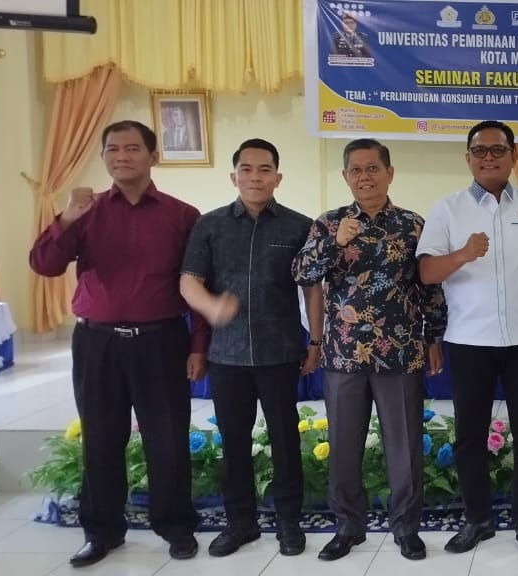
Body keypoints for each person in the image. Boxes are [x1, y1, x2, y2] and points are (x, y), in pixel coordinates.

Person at [28, 120, 206, 567]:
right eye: (112, 149)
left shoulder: (182, 215)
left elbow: (199, 284)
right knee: (101, 440)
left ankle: (176, 527)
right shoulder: (85, 212)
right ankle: (102, 532)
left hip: (161, 341)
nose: (121, 156)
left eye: (132, 148)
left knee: (167, 440)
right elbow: (45, 264)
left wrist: (198, 345)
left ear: (153, 156)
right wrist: (67, 217)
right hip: (98, 343)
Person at [291, 138, 447, 562]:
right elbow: (302, 272)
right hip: (344, 354)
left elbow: (429, 286)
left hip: (400, 353)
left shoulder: (413, 225)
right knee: (344, 445)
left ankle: (406, 528)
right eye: (356, 170)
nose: (365, 176)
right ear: (345, 176)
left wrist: (434, 335)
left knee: (404, 446)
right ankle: (348, 527)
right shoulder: (329, 223)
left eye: (373, 168)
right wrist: (335, 243)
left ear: (389, 173)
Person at [416, 120, 518, 557]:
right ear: (467, 159)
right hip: (470, 340)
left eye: (497, 150)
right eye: (479, 151)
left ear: (513, 156)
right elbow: (426, 273)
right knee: (469, 435)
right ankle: (477, 519)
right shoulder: (447, 208)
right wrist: (463, 254)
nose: (488, 158)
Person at [179, 139, 321, 557]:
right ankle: (240, 523)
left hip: (281, 352)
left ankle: (289, 522)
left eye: (264, 169)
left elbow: (313, 289)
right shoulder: (210, 225)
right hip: (227, 354)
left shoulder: (300, 226)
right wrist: (211, 307)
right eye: (246, 169)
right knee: (234, 442)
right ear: (234, 176)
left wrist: (315, 341)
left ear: (278, 177)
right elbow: (189, 280)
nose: (255, 177)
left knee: (285, 440)